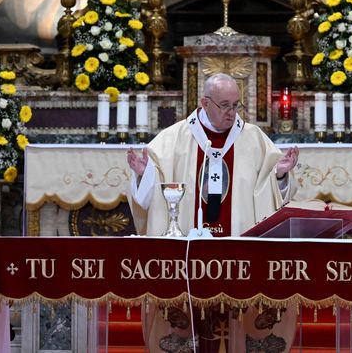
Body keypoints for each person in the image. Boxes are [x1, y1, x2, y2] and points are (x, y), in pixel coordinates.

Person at [126, 73, 300, 351]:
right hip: (188, 257)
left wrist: (279, 174)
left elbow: (274, 192)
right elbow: (152, 193)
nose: (232, 113)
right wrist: (143, 175)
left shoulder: (254, 139)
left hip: (240, 258)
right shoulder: (172, 139)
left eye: (236, 105)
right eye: (224, 105)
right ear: (204, 103)